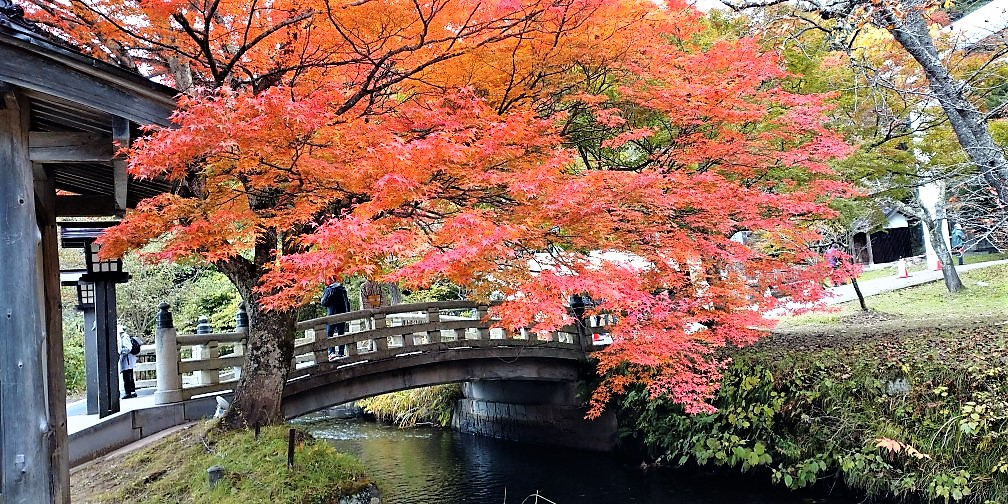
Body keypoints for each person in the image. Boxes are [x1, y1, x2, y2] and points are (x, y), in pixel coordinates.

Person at [320, 281, 350, 360]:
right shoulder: (342, 289)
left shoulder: (329, 290)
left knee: (330, 334)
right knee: (341, 333)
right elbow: (347, 301)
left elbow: (323, 302)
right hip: (342, 314)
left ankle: (331, 352)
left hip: (331, 315)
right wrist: (348, 313)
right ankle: (341, 352)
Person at [118, 326, 137, 399]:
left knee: (127, 377)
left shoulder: (124, 337)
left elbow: (128, 348)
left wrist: (120, 351)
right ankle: (132, 391)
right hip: (127, 360)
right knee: (129, 376)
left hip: (127, 360)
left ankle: (128, 392)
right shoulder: (124, 337)